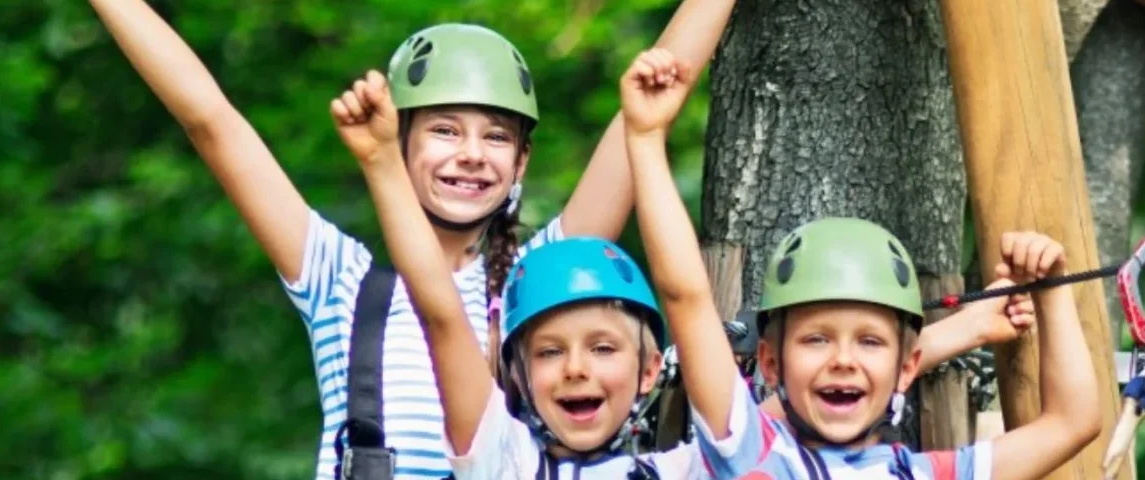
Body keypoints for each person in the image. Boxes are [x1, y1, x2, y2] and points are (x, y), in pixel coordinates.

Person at [88, 0, 732, 477]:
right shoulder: (339, 279)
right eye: (445, 131)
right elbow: (210, 121)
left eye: (496, 137)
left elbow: (651, 105)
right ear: (398, 142)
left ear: (522, 163)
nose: (472, 155)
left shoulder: (536, 284)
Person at [336, 47, 1041, 479]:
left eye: (603, 348)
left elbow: (792, 382)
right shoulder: (503, 464)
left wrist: (963, 332)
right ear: (515, 374)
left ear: (650, 371)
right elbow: (441, 316)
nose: (577, 369)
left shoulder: (698, 463)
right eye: (550, 353)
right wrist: (379, 163)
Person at [620, 48, 1104, 479]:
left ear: (908, 367)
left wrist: (1053, 291)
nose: (843, 360)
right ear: (769, 361)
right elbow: (686, 295)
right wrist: (645, 139)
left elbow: (1072, 423)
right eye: (816, 339)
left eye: (869, 341)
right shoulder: (746, 447)